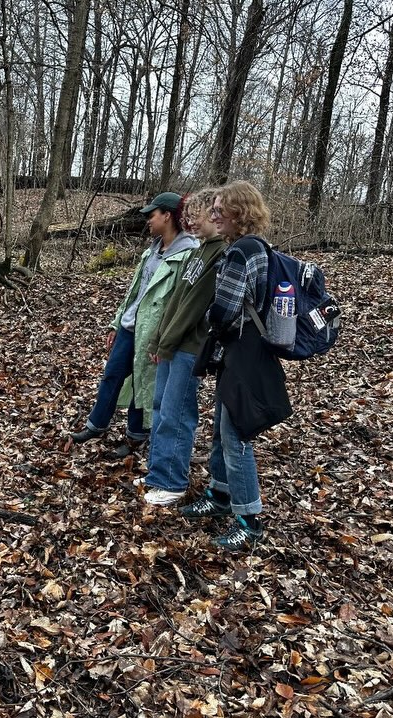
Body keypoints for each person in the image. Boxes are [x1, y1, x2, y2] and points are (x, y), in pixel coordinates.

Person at [178, 180, 272, 551]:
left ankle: (248, 521)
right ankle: (219, 496)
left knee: (235, 438)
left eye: (220, 210)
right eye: (213, 209)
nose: (214, 215)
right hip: (245, 352)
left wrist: (209, 321)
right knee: (222, 428)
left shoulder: (240, 253)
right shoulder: (258, 248)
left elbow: (225, 309)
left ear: (240, 212)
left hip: (240, 353)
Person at [69, 192, 197, 455]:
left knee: (143, 382)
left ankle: (136, 435)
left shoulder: (188, 255)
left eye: (152, 215)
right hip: (131, 326)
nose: (148, 221)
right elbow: (135, 291)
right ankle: (97, 424)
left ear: (167, 215)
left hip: (154, 333)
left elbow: (181, 303)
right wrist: (117, 323)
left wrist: (163, 339)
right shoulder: (153, 249)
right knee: (112, 374)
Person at [140, 189, 228, 506]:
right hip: (171, 345)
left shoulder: (219, 253)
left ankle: (172, 482)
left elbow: (193, 307)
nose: (190, 221)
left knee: (176, 414)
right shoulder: (197, 252)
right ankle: (158, 473)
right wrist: (157, 340)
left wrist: (167, 342)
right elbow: (175, 300)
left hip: (189, 347)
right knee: (161, 408)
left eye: (197, 215)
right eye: (187, 215)